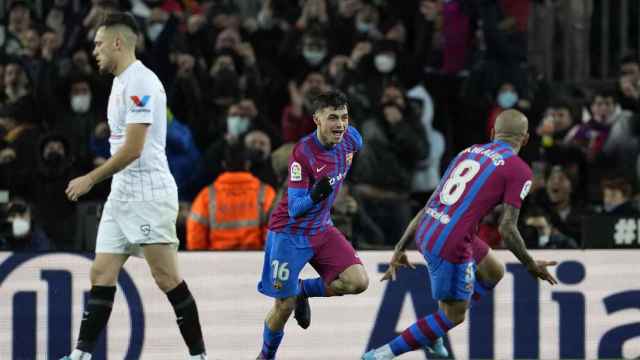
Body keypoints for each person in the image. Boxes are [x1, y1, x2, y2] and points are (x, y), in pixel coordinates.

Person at [62, 12, 207, 360]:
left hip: (148, 193)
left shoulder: (141, 82)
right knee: (101, 271)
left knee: (166, 277)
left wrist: (90, 178)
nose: (94, 51)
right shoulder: (121, 81)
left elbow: (134, 149)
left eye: (98, 44)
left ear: (117, 42)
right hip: (122, 194)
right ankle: (80, 356)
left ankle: (199, 356)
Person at [363, 109, 558, 360]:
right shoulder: (519, 171)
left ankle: (433, 333)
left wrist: (400, 247)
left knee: (493, 271)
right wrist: (530, 264)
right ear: (526, 139)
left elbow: (430, 203)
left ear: (492, 134)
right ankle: (381, 354)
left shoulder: (469, 151)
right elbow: (507, 229)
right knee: (454, 315)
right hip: (451, 243)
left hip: (428, 230)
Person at [256, 90, 369, 360]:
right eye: (332, 118)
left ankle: (304, 290)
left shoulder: (352, 139)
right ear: (317, 119)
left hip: (321, 229)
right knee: (283, 306)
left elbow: (350, 156)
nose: (340, 124)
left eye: (343, 117)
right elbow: (295, 209)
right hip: (289, 234)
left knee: (358, 281)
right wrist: (317, 194)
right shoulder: (302, 154)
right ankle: (265, 356)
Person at [186, 143, 276, 250]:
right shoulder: (266, 193)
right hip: (254, 260)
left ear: (224, 164)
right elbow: (275, 233)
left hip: (217, 262)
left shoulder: (207, 196)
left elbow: (195, 232)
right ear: (248, 164)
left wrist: (202, 258)